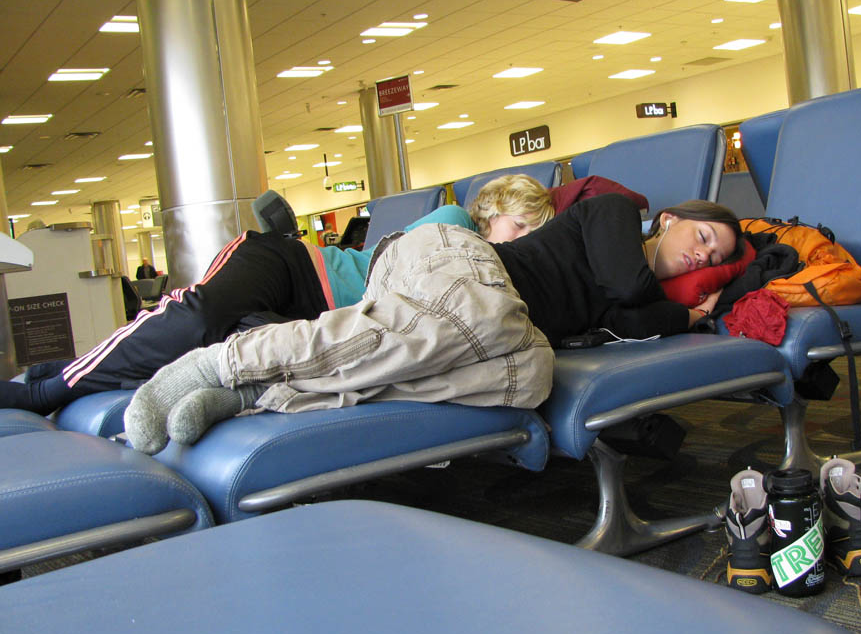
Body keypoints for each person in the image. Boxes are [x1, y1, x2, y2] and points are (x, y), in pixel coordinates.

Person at [124, 194, 741, 455]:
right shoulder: (613, 213)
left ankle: (257, 396)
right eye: (704, 237)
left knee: (531, 373)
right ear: (669, 217)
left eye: (714, 261)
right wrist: (686, 307)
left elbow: (633, 313)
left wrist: (679, 307)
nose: (703, 256)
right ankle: (218, 361)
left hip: (496, 323)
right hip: (448, 256)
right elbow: (633, 291)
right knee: (487, 320)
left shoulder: (622, 296)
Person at [0, 176, 554, 416]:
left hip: (303, 319)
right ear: (490, 212)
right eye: (521, 226)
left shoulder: (494, 286)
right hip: (293, 267)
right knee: (199, 318)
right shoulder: (455, 225)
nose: (526, 241)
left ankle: (70, 375)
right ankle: (50, 387)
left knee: (218, 350)